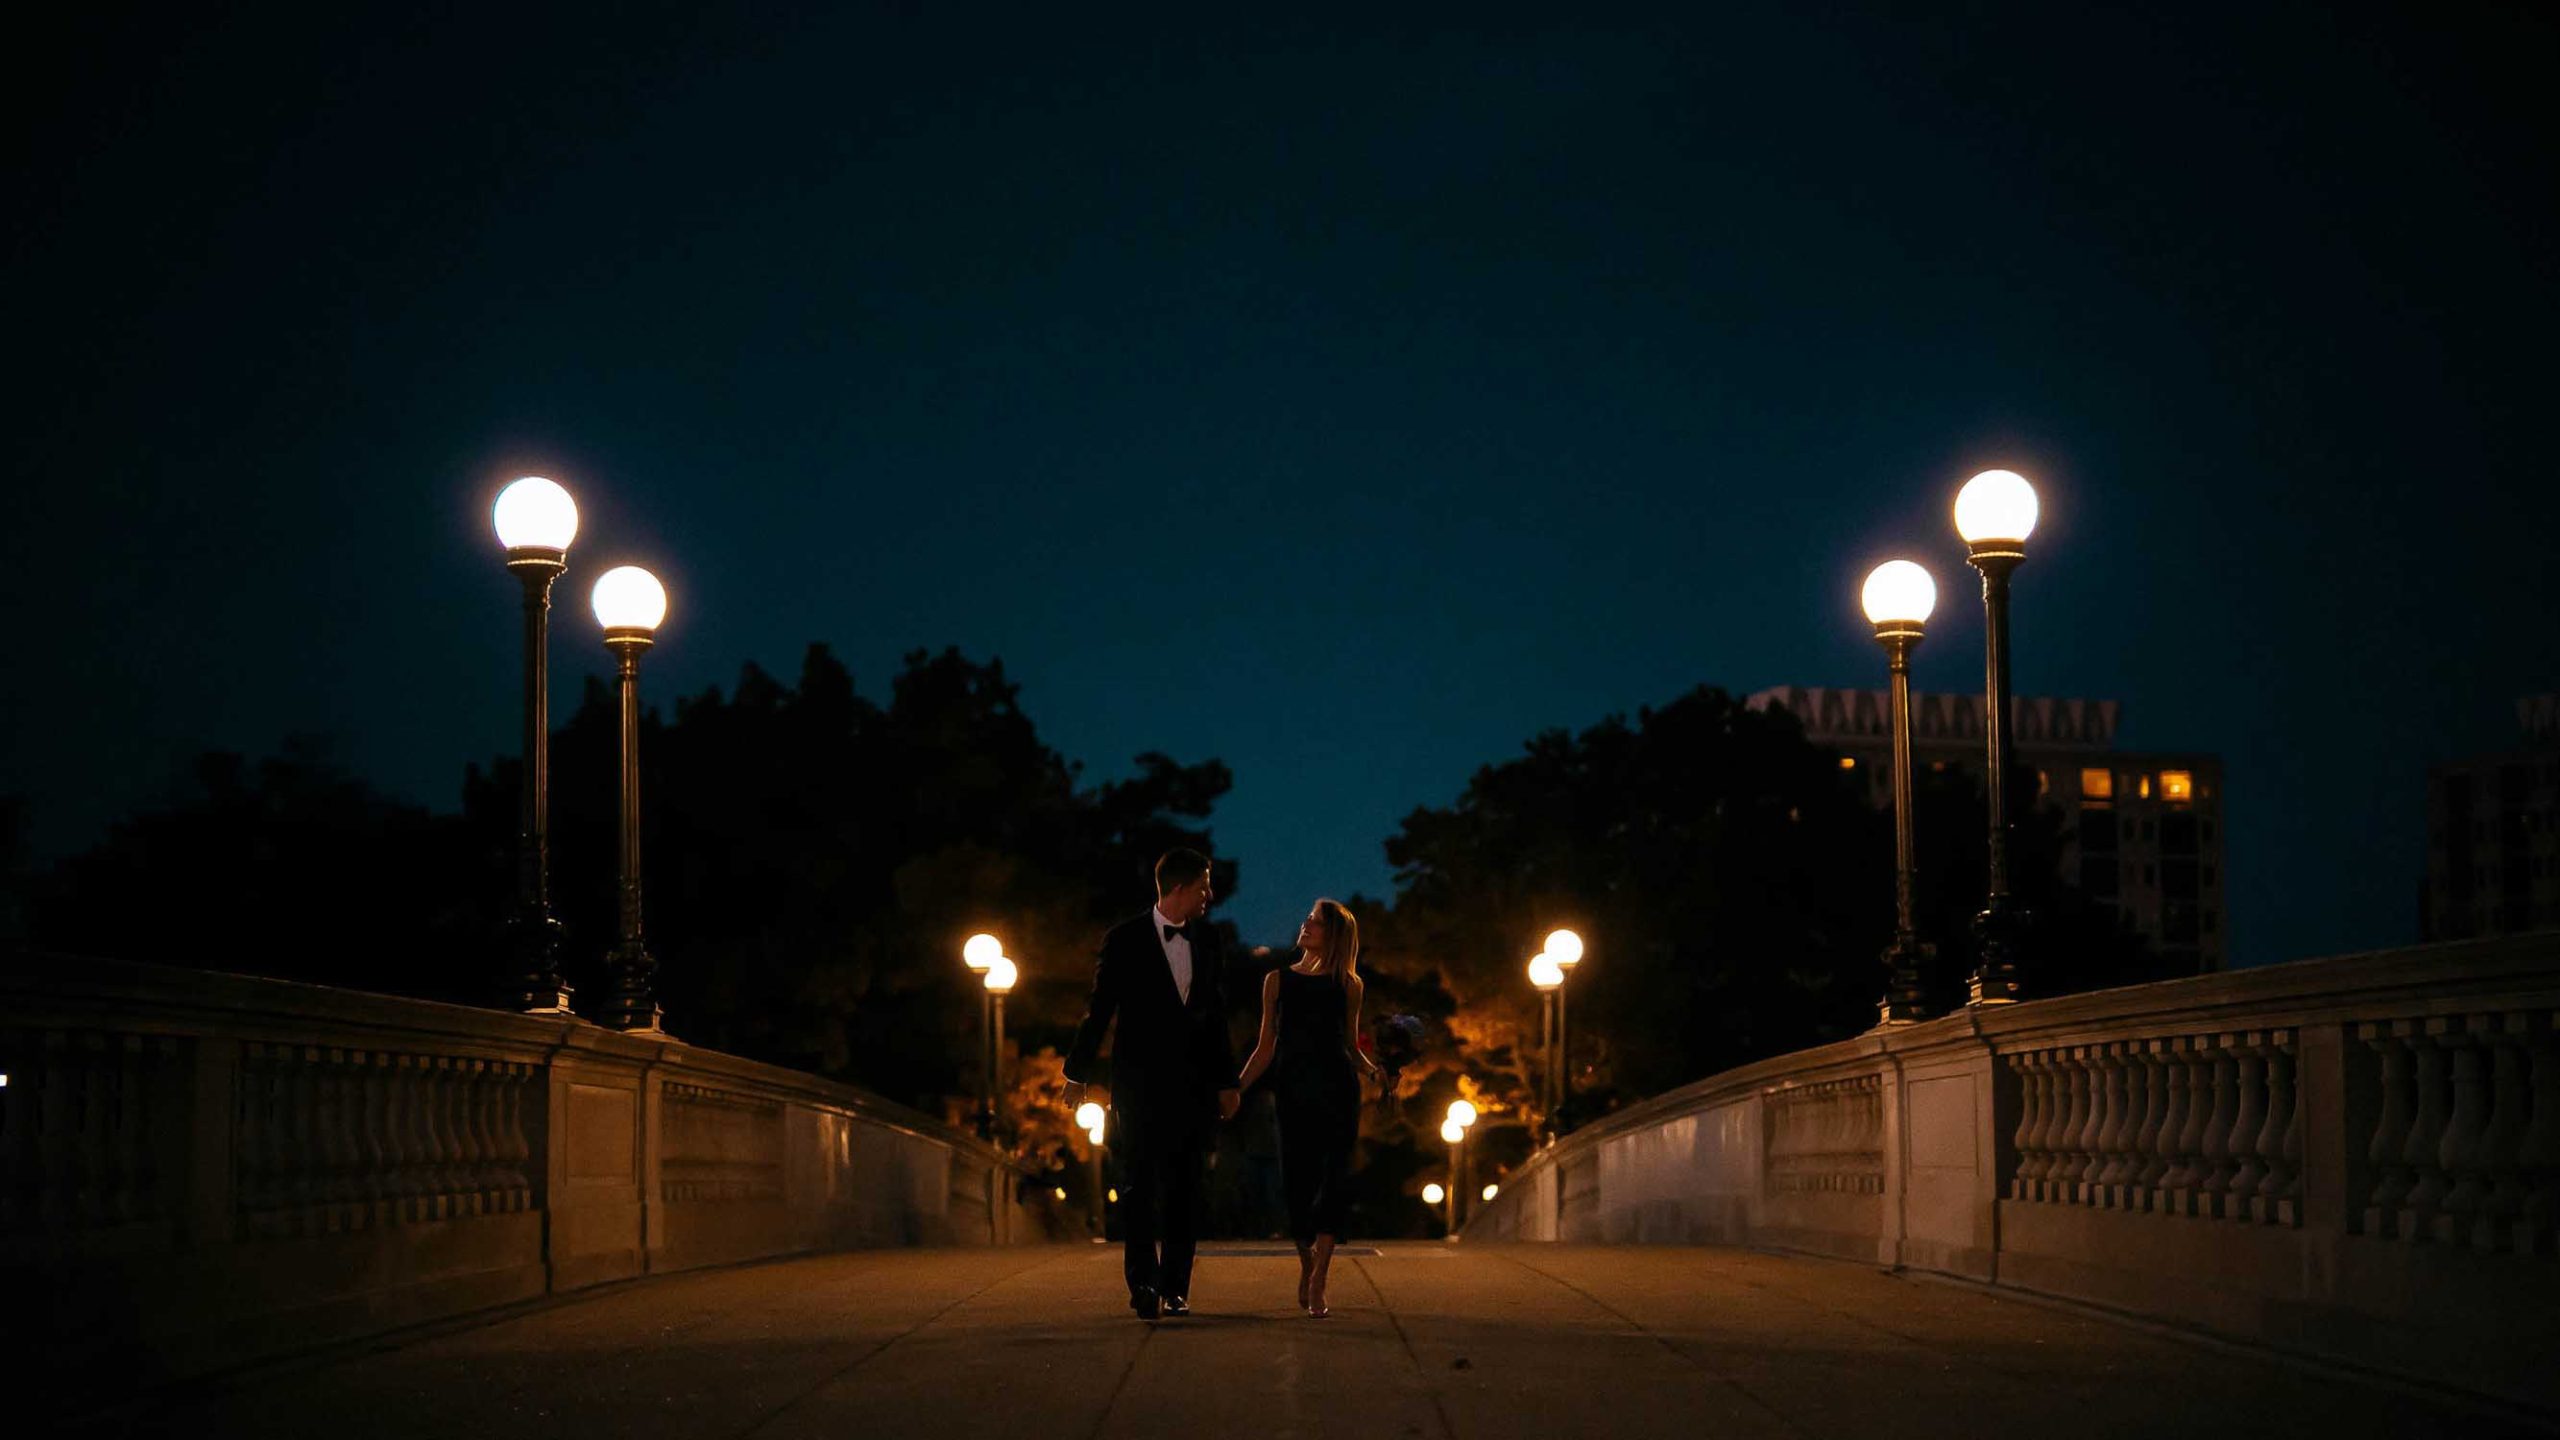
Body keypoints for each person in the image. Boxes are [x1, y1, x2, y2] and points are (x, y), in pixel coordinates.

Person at [1064, 848, 1241, 1320]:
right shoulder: (1124, 940)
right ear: (1181, 888)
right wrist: (1076, 1073)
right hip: (1138, 1086)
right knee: (1138, 1184)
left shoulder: (1209, 939)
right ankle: (1142, 1283)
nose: (1211, 894)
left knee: (1186, 1187)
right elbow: (1099, 1009)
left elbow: (1216, 1016)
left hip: (1194, 1086)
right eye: (1205, 886)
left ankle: (1176, 1287)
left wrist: (1228, 1081)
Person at [1235, 898, 1380, 1318]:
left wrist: (1377, 1074)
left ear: (1333, 934)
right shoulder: (1276, 981)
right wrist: (1236, 1089)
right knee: (1296, 1183)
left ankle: (1320, 1278)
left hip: (1338, 1089)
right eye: (1308, 919)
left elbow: (1351, 1047)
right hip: (1293, 1089)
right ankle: (1307, 1262)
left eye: (1316, 923)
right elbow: (1265, 1048)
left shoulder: (1349, 985)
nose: (1306, 925)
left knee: (1336, 1178)